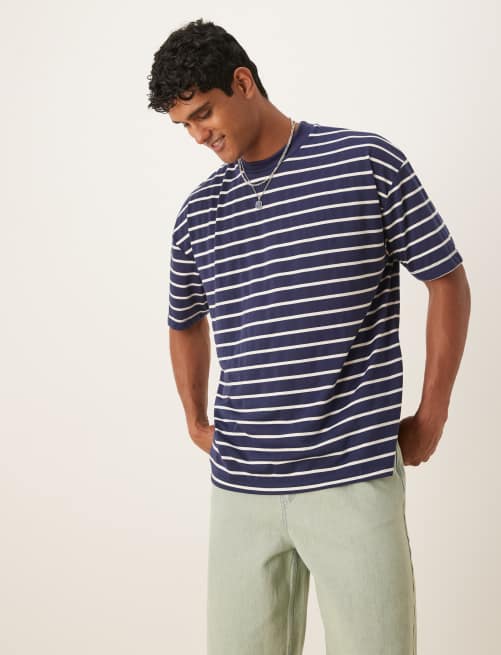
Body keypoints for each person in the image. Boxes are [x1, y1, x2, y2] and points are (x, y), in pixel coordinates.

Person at [147, 18, 471, 655]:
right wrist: (194, 419)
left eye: (204, 113)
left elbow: (447, 280)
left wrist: (432, 414)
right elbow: (184, 321)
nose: (198, 136)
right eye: (184, 125)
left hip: (353, 475)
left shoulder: (365, 163)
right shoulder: (199, 213)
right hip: (241, 487)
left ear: (244, 83)